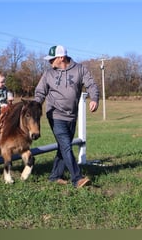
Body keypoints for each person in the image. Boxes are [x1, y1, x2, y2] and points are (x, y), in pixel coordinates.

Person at [34, 45, 99, 188]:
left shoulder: (80, 69)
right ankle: (77, 178)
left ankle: (55, 176)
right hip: (55, 114)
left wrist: (94, 99)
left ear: (61, 58)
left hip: (71, 116)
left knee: (64, 147)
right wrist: (35, 105)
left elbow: (92, 85)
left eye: (52, 59)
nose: (49, 62)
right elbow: (39, 92)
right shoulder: (48, 74)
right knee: (66, 146)